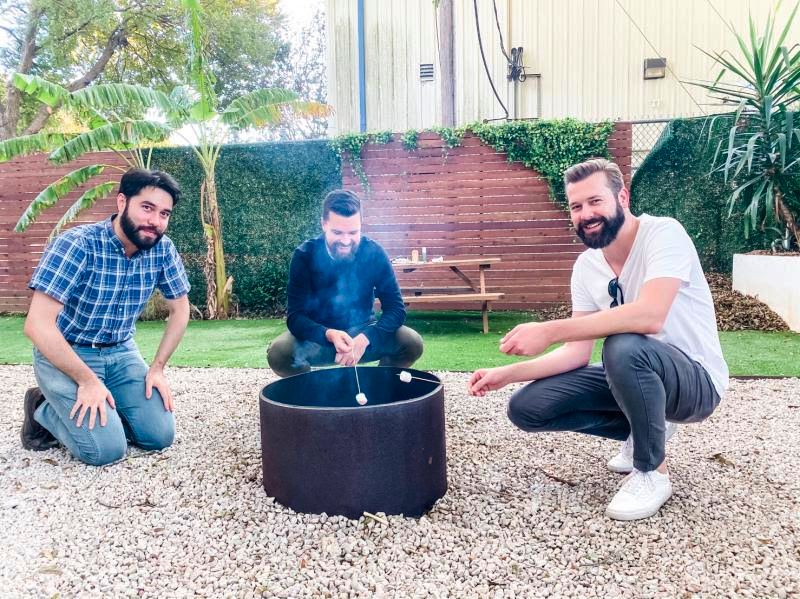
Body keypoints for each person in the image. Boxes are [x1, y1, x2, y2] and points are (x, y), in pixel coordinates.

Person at [468, 158, 728, 521]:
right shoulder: (587, 267)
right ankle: (646, 430)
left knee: (622, 344)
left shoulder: (664, 233)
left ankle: (652, 471)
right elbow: (576, 354)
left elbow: (650, 316)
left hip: (695, 383)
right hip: (638, 373)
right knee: (528, 408)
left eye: (595, 201)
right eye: (576, 206)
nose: (586, 214)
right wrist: (508, 374)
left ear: (622, 197)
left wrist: (549, 330)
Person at [20, 168, 191, 466]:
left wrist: (157, 368)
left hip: (122, 352)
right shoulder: (77, 244)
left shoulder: (162, 249)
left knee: (158, 437)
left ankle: (105, 407)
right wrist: (86, 380)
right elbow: (37, 325)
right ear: (122, 202)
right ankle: (41, 409)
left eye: (164, 213)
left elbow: (180, 309)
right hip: (68, 353)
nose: (155, 221)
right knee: (105, 451)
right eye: (147, 208)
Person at [267, 189, 423, 377]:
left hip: (363, 333)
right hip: (319, 340)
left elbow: (396, 310)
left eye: (353, 232)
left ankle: (382, 385)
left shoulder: (374, 253)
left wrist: (366, 338)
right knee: (279, 353)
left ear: (361, 225)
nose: (346, 241)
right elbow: (295, 317)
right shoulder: (304, 256)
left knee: (411, 342)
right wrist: (329, 334)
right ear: (324, 224)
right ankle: (309, 395)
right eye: (338, 232)